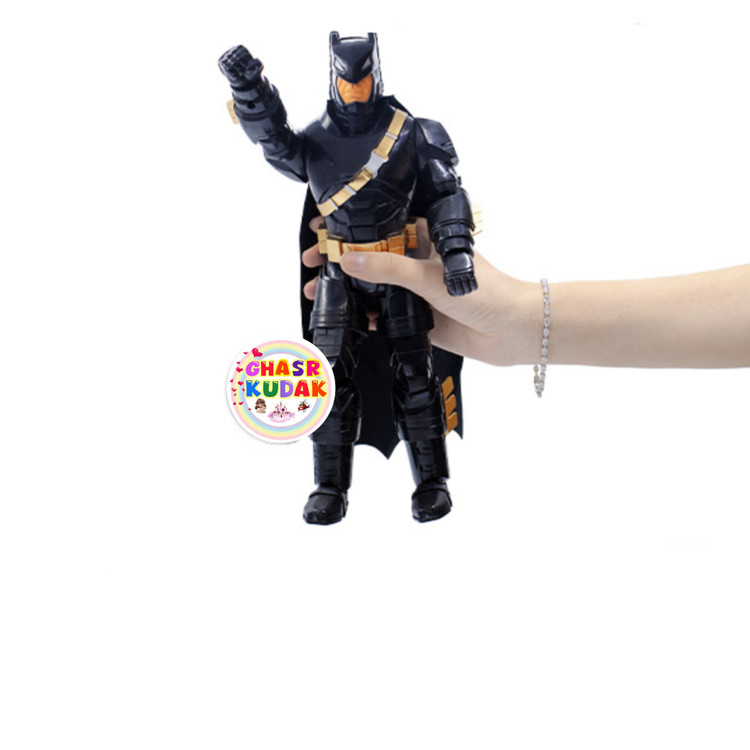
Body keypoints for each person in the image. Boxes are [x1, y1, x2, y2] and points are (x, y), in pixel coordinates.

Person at [303, 217, 750, 369]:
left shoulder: (406, 136)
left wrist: (456, 251)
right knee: (339, 374)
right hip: (349, 280)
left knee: (416, 388)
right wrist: (522, 321)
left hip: (393, 278)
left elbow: (447, 199)